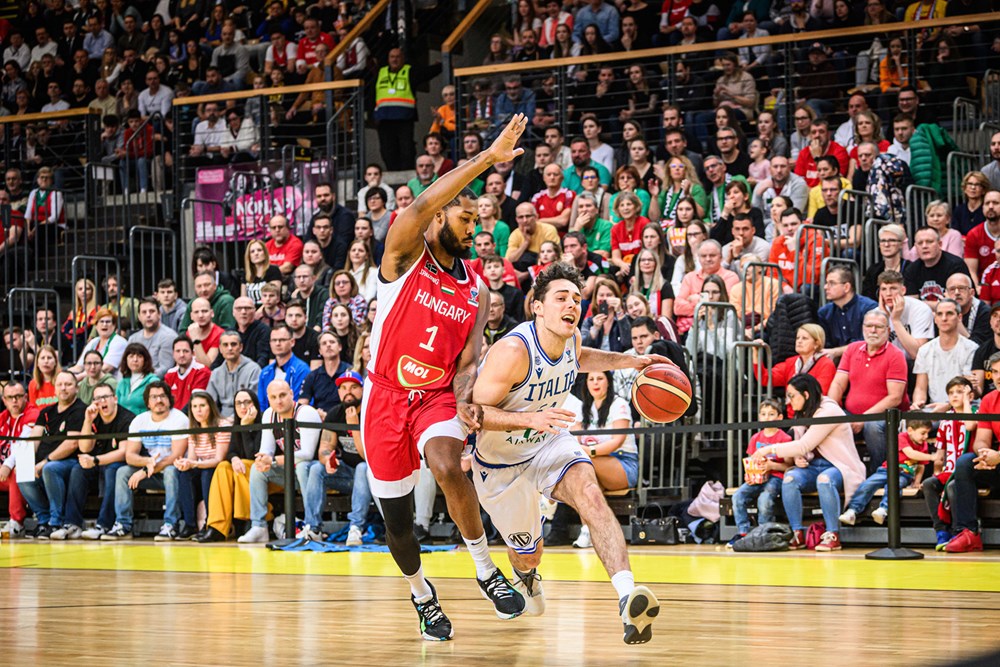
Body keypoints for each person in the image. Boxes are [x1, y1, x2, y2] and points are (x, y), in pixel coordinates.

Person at [360, 114, 530, 640]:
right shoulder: (404, 253)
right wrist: (486, 159)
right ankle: (422, 595)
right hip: (384, 396)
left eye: (478, 222)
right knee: (398, 525)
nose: (473, 228)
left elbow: (465, 361)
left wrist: (464, 400)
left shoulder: (476, 290)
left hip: (433, 397)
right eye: (465, 217)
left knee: (448, 464)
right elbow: (418, 204)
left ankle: (484, 568)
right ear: (440, 217)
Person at [471, 262, 664, 642]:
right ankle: (526, 575)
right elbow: (472, 415)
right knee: (529, 554)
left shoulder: (572, 340)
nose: (571, 305)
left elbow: (583, 356)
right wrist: (530, 419)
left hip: (548, 442)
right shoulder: (512, 351)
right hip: (500, 463)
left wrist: (631, 360)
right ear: (537, 306)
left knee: (591, 495)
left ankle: (628, 596)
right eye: (561, 298)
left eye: (577, 299)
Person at [751, 374, 866, 552]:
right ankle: (798, 532)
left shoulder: (829, 410)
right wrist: (797, 458)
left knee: (824, 479)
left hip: (839, 466)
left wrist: (768, 449)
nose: (789, 402)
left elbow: (805, 444)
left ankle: (832, 534)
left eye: (791, 396)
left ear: (805, 395)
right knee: (790, 478)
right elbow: (801, 447)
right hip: (813, 466)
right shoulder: (803, 411)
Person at [104, 381, 193, 540]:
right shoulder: (139, 421)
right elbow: (130, 455)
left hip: (173, 471)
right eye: (154, 397)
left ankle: (171, 525)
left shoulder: (179, 419)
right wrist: (147, 463)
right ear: (147, 402)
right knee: (123, 472)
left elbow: (176, 456)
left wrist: (146, 470)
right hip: (151, 470)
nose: (159, 400)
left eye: (162, 396)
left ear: (169, 399)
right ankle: (123, 525)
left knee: (171, 471)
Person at [238, 379, 323, 542]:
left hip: (315, 472)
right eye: (274, 397)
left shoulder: (306, 412)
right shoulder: (269, 414)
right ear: (268, 399)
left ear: (292, 394)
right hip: (290, 471)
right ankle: (259, 526)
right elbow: (266, 448)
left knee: (303, 466)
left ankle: (313, 527)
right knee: (257, 469)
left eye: (283, 395)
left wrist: (273, 459)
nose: (279, 400)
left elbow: (307, 454)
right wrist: (262, 459)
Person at [828, 309, 908, 475]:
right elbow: (838, 383)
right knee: (827, 419)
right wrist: (831, 409)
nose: (873, 330)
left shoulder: (896, 355)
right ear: (863, 328)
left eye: (878, 327)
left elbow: (895, 397)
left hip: (885, 415)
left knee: (872, 426)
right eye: (869, 326)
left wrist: (863, 418)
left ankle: (881, 472)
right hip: (852, 413)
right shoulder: (852, 349)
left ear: (888, 330)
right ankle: (840, 470)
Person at [569, 369, 641, 549]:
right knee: (585, 483)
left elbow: (617, 441)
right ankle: (588, 531)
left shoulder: (619, 404)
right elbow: (573, 440)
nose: (595, 382)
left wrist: (587, 452)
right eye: (591, 379)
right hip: (591, 464)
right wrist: (582, 452)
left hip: (623, 464)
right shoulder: (582, 407)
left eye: (600, 378)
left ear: (608, 381)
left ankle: (587, 528)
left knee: (581, 464)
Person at [309, 370, 373, 546]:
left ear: (362, 390)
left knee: (362, 467)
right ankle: (313, 527)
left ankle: (356, 528)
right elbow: (325, 448)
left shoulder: (370, 412)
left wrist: (354, 426)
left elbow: (366, 457)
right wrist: (327, 460)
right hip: (347, 474)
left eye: (353, 387)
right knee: (316, 468)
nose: (348, 392)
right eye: (343, 388)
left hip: (372, 476)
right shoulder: (335, 413)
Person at [18, 371, 85, 539]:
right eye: (60, 385)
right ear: (54, 389)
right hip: (45, 462)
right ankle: (44, 520)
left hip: (70, 462)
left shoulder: (79, 409)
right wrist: (26, 461)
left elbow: (72, 443)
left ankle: (56, 522)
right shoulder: (47, 411)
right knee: (22, 472)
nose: (63, 388)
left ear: (76, 388)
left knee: (50, 468)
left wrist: (45, 461)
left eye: (68, 384)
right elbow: (35, 438)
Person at [840, 419, 936, 527]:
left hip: (904, 475)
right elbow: (910, 453)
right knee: (868, 484)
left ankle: (883, 509)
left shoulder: (923, 445)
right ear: (910, 430)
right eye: (923, 433)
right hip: (887, 470)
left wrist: (916, 482)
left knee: (894, 486)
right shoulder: (902, 437)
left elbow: (921, 466)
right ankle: (852, 510)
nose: (926, 436)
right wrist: (933, 457)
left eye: (928, 433)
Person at [196, 388, 262, 542]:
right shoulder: (236, 424)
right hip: (243, 473)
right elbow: (232, 451)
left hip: (264, 473)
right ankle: (217, 527)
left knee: (245, 464)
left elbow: (254, 454)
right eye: (238, 403)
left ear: (256, 405)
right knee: (223, 467)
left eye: (247, 402)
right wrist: (233, 459)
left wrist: (245, 427)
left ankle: (246, 521)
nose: (242, 407)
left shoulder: (263, 423)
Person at [921, 377, 976, 549]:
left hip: (967, 472)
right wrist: (937, 470)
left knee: (954, 486)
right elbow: (940, 453)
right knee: (928, 484)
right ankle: (941, 530)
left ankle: (958, 530)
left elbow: (969, 426)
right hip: (948, 469)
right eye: (951, 393)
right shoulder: (945, 421)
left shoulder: (975, 412)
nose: (955, 396)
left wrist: (966, 401)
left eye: (960, 392)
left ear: (970, 395)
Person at [77, 382, 135, 539]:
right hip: (99, 463)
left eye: (105, 397)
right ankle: (71, 524)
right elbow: (84, 447)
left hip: (119, 463)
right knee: (77, 469)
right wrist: (88, 421)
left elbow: (124, 452)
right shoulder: (93, 417)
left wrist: (95, 460)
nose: (102, 401)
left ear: (115, 399)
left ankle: (104, 525)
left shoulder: (126, 418)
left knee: (113, 470)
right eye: (97, 398)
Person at [729, 399, 792, 543]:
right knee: (737, 496)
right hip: (758, 478)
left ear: (779, 417)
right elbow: (752, 461)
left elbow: (789, 466)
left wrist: (772, 466)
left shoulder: (785, 438)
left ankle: (763, 533)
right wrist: (749, 474)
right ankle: (743, 533)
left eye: (771, 414)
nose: (767, 417)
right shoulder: (755, 438)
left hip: (776, 477)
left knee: (764, 500)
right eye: (763, 414)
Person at [911, 299, 978, 411]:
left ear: (959, 317)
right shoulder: (924, 350)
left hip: (962, 408)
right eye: (939, 314)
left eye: (949, 313)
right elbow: (920, 388)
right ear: (935, 319)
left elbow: (970, 389)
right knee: (911, 423)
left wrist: (948, 405)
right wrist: (918, 404)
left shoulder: (972, 348)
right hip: (934, 408)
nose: (944, 318)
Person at [754, 324, 836, 395]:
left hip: (817, 412)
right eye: (797, 338)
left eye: (804, 338)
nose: (799, 341)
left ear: (817, 343)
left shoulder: (826, 364)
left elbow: (819, 394)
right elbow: (765, 378)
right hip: (794, 412)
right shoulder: (791, 362)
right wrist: (756, 354)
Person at [0, 382, 38, 538]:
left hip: (28, 470)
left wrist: (7, 464)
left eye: (18, 397)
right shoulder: (2, 417)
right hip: (3, 472)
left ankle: (17, 523)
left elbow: (24, 442)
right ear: (4, 400)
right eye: (10, 397)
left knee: (18, 469)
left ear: (26, 397)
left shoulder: (33, 413)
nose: (14, 401)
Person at [817, 266, 878, 360]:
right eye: (826, 283)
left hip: (866, 358)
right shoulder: (824, 312)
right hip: (836, 361)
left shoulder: (869, 308)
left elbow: (870, 343)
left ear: (846, 287)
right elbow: (826, 345)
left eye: (831, 283)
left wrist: (836, 351)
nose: (825, 287)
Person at [903, 226, 973, 305]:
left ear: (940, 244)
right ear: (915, 247)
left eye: (929, 242)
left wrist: (923, 304)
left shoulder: (956, 265)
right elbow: (912, 304)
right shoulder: (911, 269)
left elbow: (958, 302)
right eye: (920, 243)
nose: (924, 246)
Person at [877, 270, 933, 362]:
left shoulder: (921, 310)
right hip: (888, 364)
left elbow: (917, 354)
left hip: (915, 366)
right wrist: (883, 319)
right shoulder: (875, 313)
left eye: (893, 288)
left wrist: (895, 321)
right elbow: (875, 352)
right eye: (884, 289)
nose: (888, 294)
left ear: (903, 290)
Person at [206, 331, 261, 419]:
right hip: (221, 422)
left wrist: (232, 420)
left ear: (241, 347)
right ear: (220, 349)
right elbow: (210, 403)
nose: (230, 348)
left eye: (233, 344)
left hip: (247, 419)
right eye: (225, 345)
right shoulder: (216, 373)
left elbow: (254, 402)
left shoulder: (253, 369)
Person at [257, 323, 310, 411]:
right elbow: (261, 404)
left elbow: (298, 404)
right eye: (274, 340)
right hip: (268, 420)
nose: (277, 344)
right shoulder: (265, 372)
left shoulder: (301, 369)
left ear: (292, 342)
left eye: (282, 340)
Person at [299, 331, 351, 419]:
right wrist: (314, 413)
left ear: (340, 347)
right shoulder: (312, 376)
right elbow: (301, 405)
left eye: (332, 342)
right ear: (320, 351)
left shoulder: (349, 372)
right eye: (324, 343)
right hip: (319, 421)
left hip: (344, 420)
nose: (328, 345)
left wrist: (330, 417)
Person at [127, 298, 177, 377]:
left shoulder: (169, 336)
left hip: (157, 384)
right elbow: (125, 366)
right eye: (144, 312)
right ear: (139, 317)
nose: (148, 315)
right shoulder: (133, 339)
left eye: (152, 311)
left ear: (159, 314)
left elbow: (165, 369)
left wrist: (141, 380)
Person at [163, 336, 211, 412]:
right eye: (178, 351)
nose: (181, 355)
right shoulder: (170, 374)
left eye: (185, 351)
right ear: (173, 354)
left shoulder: (202, 371)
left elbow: (195, 401)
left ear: (193, 353)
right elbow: (165, 400)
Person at [115, 343, 158, 415]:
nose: (135, 360)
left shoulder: (152, 382)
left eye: (139, 356)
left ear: (145, 360)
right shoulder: (122, 383)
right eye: (131, 356)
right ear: (126, 360)